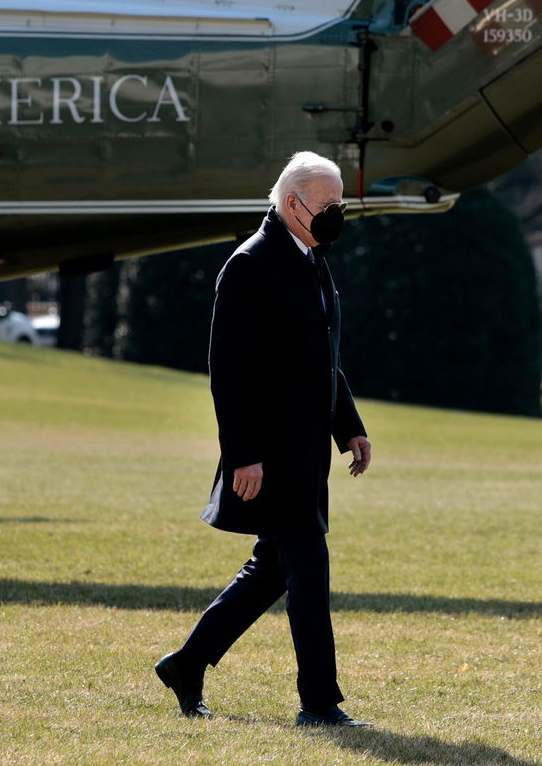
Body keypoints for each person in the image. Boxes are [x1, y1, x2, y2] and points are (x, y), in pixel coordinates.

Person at [154, 152, 373, 727]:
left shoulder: (311, 256)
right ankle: (319, 705)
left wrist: (348, 426)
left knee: (273, 569)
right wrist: (241, 456)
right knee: (309, 570)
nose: (337, 216)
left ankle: (187, 662)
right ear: (293, 203)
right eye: (329, 205)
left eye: (340, 205)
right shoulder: (250, 265)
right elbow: (229, 373)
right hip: (270, 455)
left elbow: (323, 357)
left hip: (306, 454)